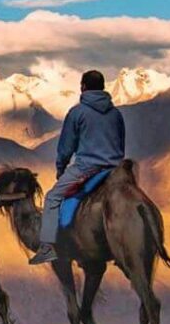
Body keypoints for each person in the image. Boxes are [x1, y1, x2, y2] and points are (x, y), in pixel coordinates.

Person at [30, 69, 126, 265]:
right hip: (116, 169)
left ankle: (47, 247)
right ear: (103, 88)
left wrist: (61, 168)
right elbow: (121, 143)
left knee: (52, 198)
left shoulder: (77, 112)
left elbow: (66, 146)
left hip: (87, 168)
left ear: (83, 87)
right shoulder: (116, 114)